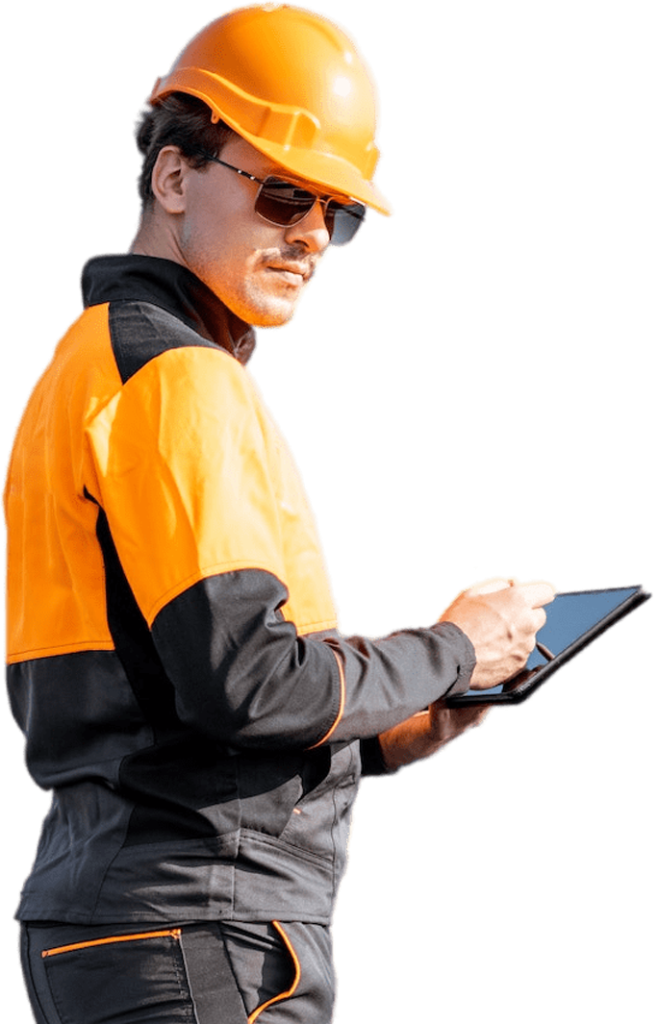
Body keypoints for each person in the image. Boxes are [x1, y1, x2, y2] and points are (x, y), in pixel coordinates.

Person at [3, 4, 557, 1022]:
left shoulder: (94, 364)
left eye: (334, 215)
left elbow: (170, 701)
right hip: (203, 932)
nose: (310, 236)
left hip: (141, 922)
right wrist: (452, 647)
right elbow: (250, 684)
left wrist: (403, 731)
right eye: (282, 194)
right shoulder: (174, 378)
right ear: (174, 176)